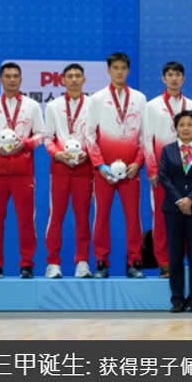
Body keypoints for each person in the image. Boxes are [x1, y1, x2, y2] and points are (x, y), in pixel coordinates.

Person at [0, 62, 45, 278]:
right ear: (0, 80)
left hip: (23, 172)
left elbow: (41, 135)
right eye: (8, 76)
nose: (12, 80)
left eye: (16, 76)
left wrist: (25, 144)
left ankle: (27, 265)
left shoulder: (32, 106)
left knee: (26, 221)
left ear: (21, 80)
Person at [85, 52, 147, 278]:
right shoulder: (97, 99)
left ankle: (134, 262)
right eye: (115, 68)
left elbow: (145, 135)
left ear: (128, 70)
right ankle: (101, 262)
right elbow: (89, 135)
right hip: (105, 172)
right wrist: (100, 166)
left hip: (131, 171)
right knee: (101, 217)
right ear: (108, 70)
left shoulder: (139, 98)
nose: (119, 72)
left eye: (123, 68)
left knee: (133, 218)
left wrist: (137, 163)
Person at [158, 110, 192, 313]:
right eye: (182, 125)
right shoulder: (167, 150)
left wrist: (190, 199)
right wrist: (180, 200)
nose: (186, 128)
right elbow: (164, 178)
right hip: (173, 209)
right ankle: (177, 299)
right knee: (175, 255)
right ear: (176, 128)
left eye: (190, 124)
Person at [143, 61, 192, 277]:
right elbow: (146, 138)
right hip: (162, 172)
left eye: (178, 75)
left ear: (184, 79)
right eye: (170, 75)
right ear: (164, 78)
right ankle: (164, 263)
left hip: (188, 171)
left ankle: (181, 261)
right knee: (162, 218)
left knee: (186, 217)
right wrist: (152, 169)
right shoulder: (152, 106)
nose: (174, 79)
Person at [43, 63, 93, 278]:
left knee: (83, 217)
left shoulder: (92, 105)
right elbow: (48, 138)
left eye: (77, 76)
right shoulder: (53, 106)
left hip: (84, 168)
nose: (73, 79)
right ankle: (53, 263)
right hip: (60, 169)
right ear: (62, 80)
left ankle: (82, 262)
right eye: (70, 76)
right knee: (56, 216)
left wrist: (88, 154)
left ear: (84, 80)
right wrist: (57, 154)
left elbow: (95, 136)